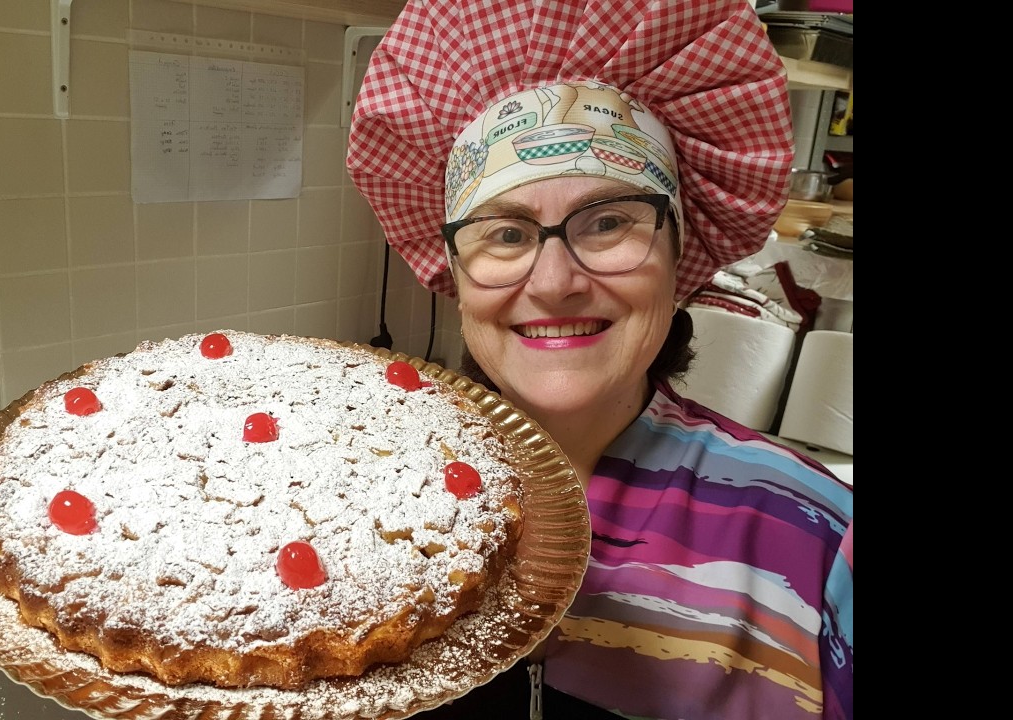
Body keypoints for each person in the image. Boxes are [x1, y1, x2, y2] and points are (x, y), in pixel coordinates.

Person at [346, 1, 853, 719]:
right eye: (506, 234)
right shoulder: (364, 501)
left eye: (609, 222)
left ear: (680, 255)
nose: (555, 282)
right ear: (454, 273)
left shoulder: (820, 539)